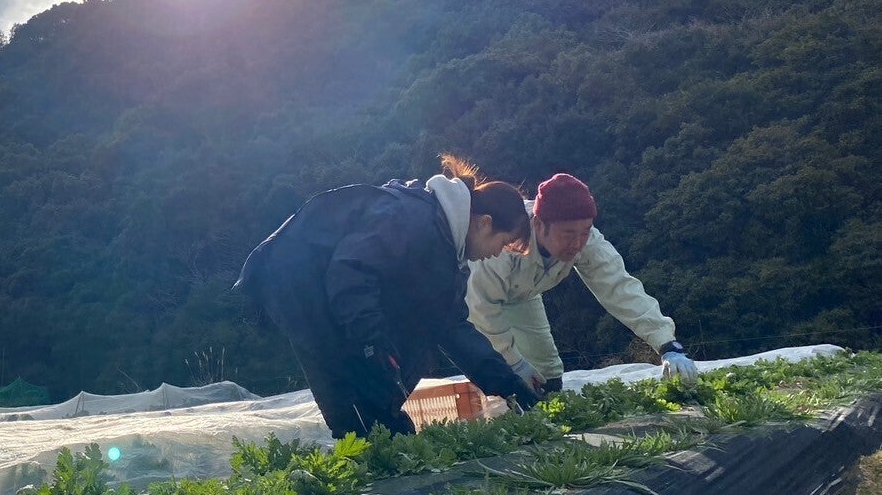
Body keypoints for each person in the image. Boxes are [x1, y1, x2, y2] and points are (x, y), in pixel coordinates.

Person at [234, 154, 545, 439]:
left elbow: (451, 327)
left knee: (392, 369)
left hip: (325, 283)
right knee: (349, 394)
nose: (496, 254)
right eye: (503, 243)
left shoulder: (445, 247)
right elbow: (349, 270)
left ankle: (385, 433)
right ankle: (374, 442)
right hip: (299, 277)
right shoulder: (415, 219)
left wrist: (509, 386)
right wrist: (372, 343)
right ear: (485, 223)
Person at [465, 172, 700, 392]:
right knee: (506, 374)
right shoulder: (504, 243)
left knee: (547, 375)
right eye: (568, 234)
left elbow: (618, 286)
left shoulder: (588, 241)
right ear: (539, 225)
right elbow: (481, 309)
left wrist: (667, 344)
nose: (578, 243)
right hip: (473, 302)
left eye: (585, 232)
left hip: (522, 296)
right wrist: (514, 362)